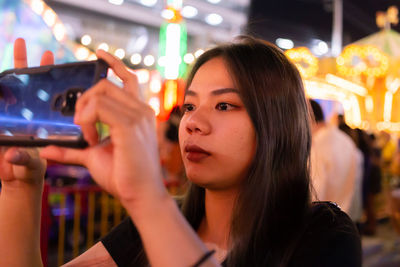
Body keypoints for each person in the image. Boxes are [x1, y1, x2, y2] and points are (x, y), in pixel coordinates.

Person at [0, 37, 361, 267]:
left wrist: (145, 197)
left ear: (277, 125)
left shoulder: (323, 234)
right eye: (189, 106)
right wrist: (22, 188)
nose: (192, 123)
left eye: (224, 106)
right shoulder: (159, 222)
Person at [309, 100, 362, 222]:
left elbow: (314, 194)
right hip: (346, 218)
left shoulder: (317, 146)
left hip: (323, 224)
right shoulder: (346, 140)